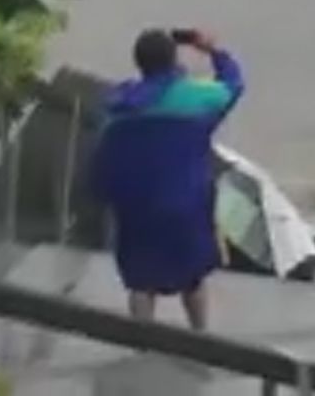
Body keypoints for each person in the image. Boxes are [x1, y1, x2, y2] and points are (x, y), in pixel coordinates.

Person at [91, 26, 246, 330]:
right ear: (173, 57)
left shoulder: (118, 104)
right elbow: (234, 84)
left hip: (136, 207)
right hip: (187, 204)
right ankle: (199, 338)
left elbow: (104, 158)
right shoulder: (199, 96)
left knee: (140, 282)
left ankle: (142, 345)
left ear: (139, 62)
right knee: (193, 279)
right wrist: (213, 51)